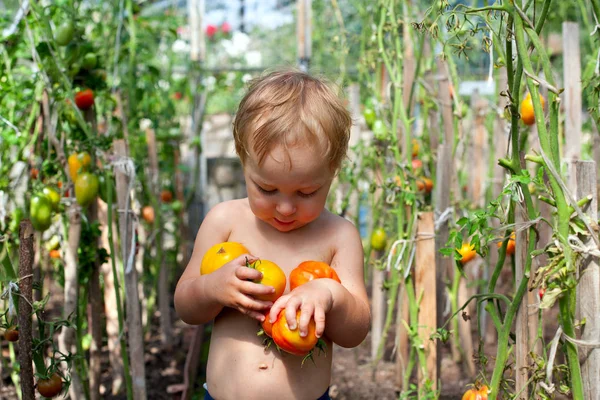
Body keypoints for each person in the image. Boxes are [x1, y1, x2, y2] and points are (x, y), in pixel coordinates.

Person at [174, 69, 370, 400]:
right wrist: (212, 287)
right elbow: (185, 306)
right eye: (267, 188)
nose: (285, 208)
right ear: (243, 162)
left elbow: (356, 331)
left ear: (332, 172)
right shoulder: (225, 222)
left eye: (306, 192)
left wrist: (329, 294)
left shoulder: (339, 235)